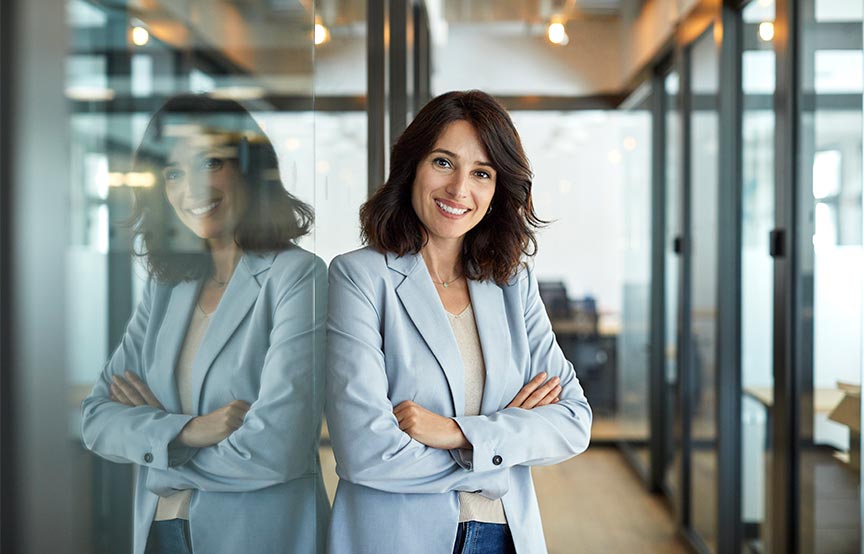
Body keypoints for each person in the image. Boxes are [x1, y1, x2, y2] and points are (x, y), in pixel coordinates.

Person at [325, 90, 592, 554]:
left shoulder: (511, 283)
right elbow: (364, 453)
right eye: (444, 163)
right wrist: (500, 450)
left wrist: (456, 432)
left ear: (497, 189)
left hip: (505, 535)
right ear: (412, 166)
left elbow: (572, 421)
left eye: (481, 173)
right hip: (396, 538)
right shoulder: (359, 277)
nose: (459, 190)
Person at [81, 94, 328, 554]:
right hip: (159, 532)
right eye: (172, 172)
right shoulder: (168, 286)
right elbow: (96, 420)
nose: (190, 187)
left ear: (250, 169)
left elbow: (278, 449)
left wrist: (155, 444)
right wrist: (190, 431)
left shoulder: (297, 276)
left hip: (257, 537)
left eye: (210, 162)